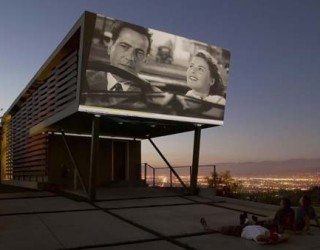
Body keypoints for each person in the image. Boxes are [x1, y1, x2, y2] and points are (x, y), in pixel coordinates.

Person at [86, 21, 153, 92]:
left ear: (145, 59)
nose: (130, 57)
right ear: (110, 47)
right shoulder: (84, 78)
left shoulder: (151, 95)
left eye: (139, 52)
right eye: (124, 46)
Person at [200, 216, 289, 245]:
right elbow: (286, 237)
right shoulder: (273, 233)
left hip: (240, 231)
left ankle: (208, 228)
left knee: (223, 229)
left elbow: (259, 238)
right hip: (247, 226)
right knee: (250, 221)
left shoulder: (262, 238)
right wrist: (277, 238)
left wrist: (270, 239)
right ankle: (245, 220)